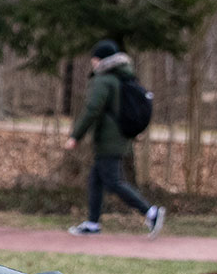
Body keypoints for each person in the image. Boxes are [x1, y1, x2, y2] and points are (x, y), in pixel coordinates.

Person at [64, 39, 165, 238]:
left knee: (113, 181)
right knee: (96, 179)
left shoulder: (103, 80)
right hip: (119, 136)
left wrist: (76, 136)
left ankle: (150, 212)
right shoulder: (122, 77)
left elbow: (93, 109)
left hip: (109, 138)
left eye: (94, 59)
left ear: (100, 59)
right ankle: (93, 223)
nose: (92, 63)